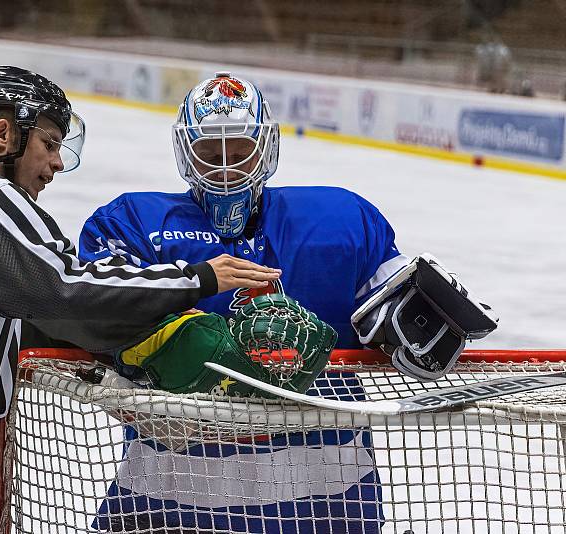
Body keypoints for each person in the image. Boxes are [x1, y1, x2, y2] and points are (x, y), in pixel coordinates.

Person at [0, 66, 281, 534]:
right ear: (3, 134)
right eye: (49, 144)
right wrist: (197, 278)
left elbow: (22, 311)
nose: (56, 163)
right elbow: (67, 293)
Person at [78, 72, 407, 533]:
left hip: (325, 498)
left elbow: (397, 311)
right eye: (210, 153)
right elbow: (96, 312)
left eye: (240, 151)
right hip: (174, 496)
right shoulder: (131, 224)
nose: (227, 166)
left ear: (265, 147)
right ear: (186, 152)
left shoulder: (344, 220)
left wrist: (418, 324)